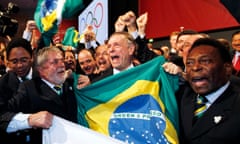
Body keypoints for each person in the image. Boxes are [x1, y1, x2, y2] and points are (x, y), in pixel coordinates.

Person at [0, 46, 77, 143]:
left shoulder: (71, 84)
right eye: (55, 62)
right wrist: (29, 120)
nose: (62, 65)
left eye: (62, 60)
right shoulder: (29, 88)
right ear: (41, 69)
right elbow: (2, 116)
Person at [179, 38, 240, 144]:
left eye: (205, 61)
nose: (195, 67)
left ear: (227, 68)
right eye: (189, 63)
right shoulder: (181, 97)